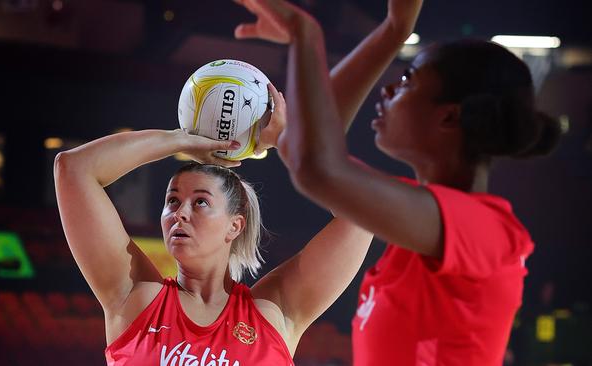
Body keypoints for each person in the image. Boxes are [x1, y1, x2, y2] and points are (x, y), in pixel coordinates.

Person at [233, 0, 562, 365]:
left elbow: (316, 164)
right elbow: (312, 150)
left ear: (449, 116)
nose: (388, 90)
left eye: (407, 80)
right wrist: (392, 31)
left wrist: (304, 35)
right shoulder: (421, 226)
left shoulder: (482, 228)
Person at [53, 81, 377, 364]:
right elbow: (74, 168)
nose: (179, 213)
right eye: (172, 201)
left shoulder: (272, 313)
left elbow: (364, 209)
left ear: (235, 225)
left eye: (201, 202)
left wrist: (287, 142)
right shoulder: (134, 298)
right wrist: (179, 140)